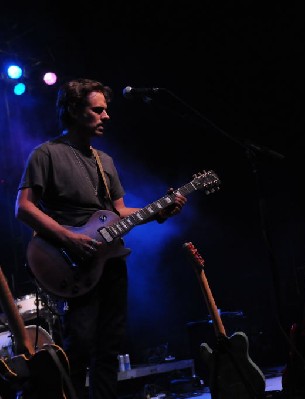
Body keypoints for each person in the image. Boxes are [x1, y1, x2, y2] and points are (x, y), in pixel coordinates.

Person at [15, 78, 187, 398]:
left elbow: (119, 212)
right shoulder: (46, 154)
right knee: (79, 343)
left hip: (109, 259)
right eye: (98, 110)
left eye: (106, 110)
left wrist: (158, 210)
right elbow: (23, 208)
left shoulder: (104, 160)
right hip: (72, 262)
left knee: (110, 345)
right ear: (74, 111)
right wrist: (69, 238)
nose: (106, 116)